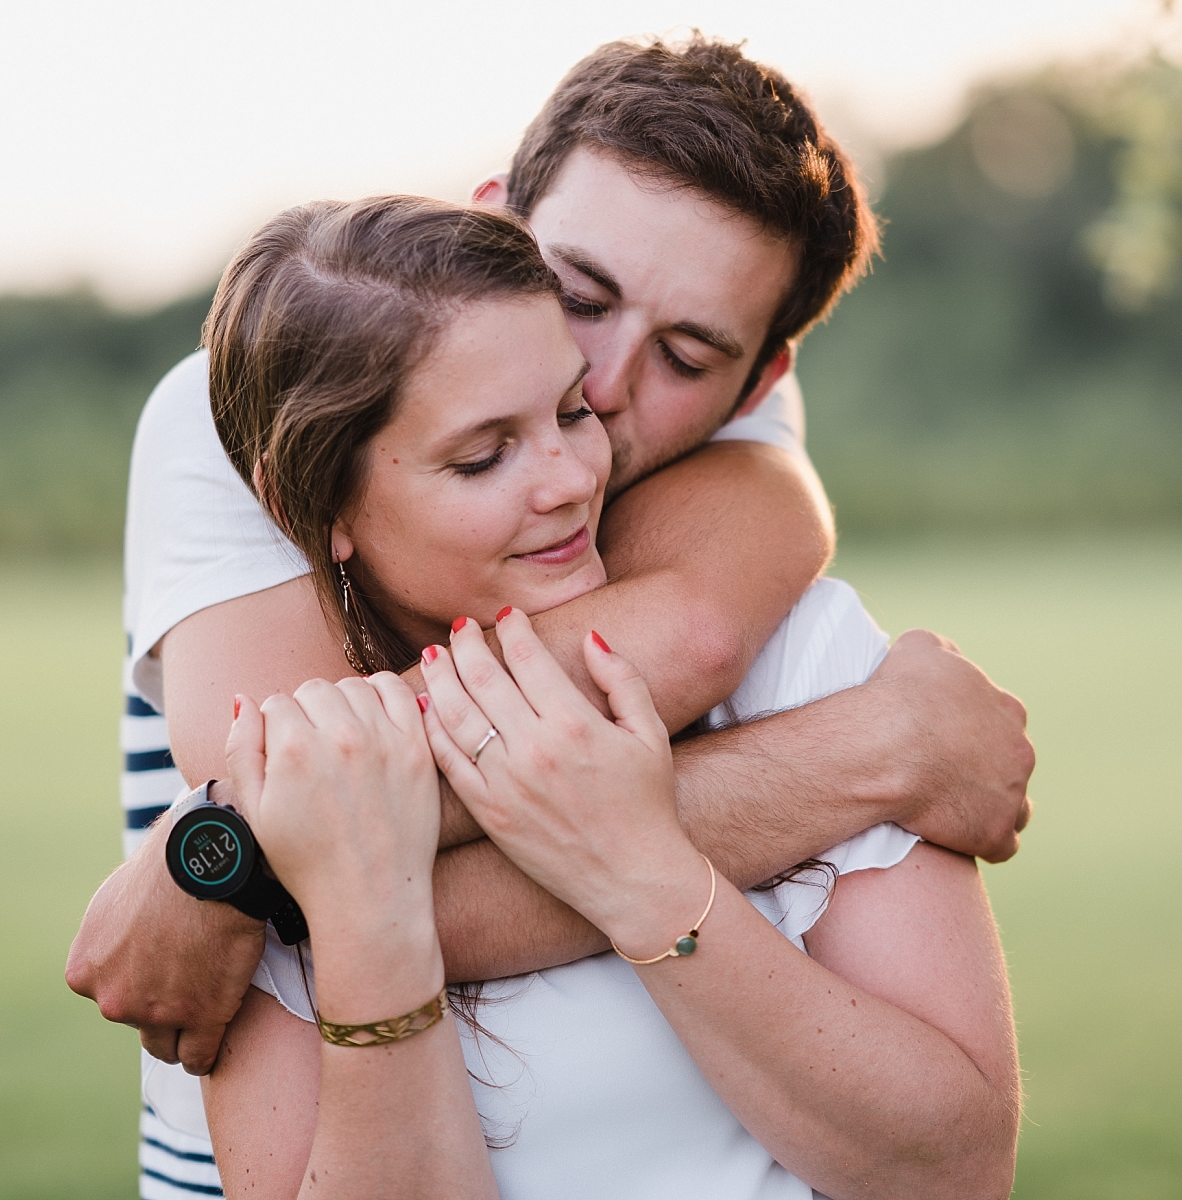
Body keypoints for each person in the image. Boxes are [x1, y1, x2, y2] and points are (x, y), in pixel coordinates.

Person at [65, 36, 1034, 1200]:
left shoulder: (749, 520)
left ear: (759, 388)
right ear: (499, 221)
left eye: (683, 356)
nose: (609, 388)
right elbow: (295, 803)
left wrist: (273, 874)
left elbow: (686, 637)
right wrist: (871, 753)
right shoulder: (245, 406)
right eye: (580, 295)